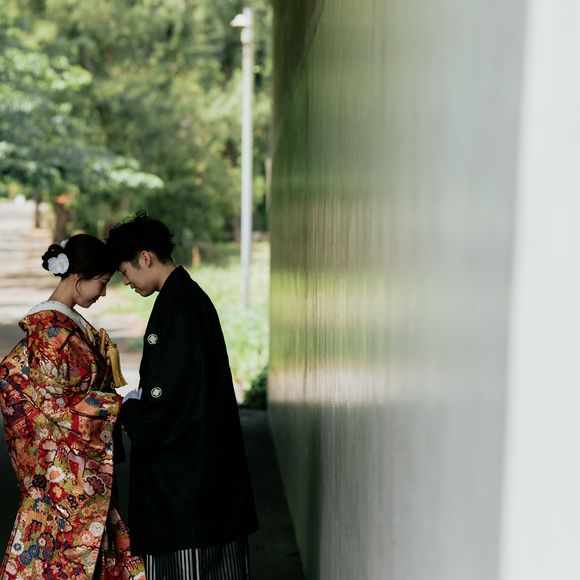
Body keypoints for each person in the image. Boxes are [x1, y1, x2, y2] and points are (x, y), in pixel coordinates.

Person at [106, 212, 258, 580]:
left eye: (125, 271)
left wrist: (128, 409)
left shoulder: (179, 306)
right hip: (208, 469)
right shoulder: (187, 298)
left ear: (145, 258)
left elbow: (169, 399)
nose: (125, 281)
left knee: (187, 567)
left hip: (188, 478)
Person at [0, 234, 145, 579]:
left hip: (74, 466)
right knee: (62, 559)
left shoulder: (62, 326)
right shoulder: (51, 332)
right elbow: (56, 405)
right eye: (102, 282)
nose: (103, 292)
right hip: (63, 476)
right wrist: (115, 406)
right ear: (78, 278)